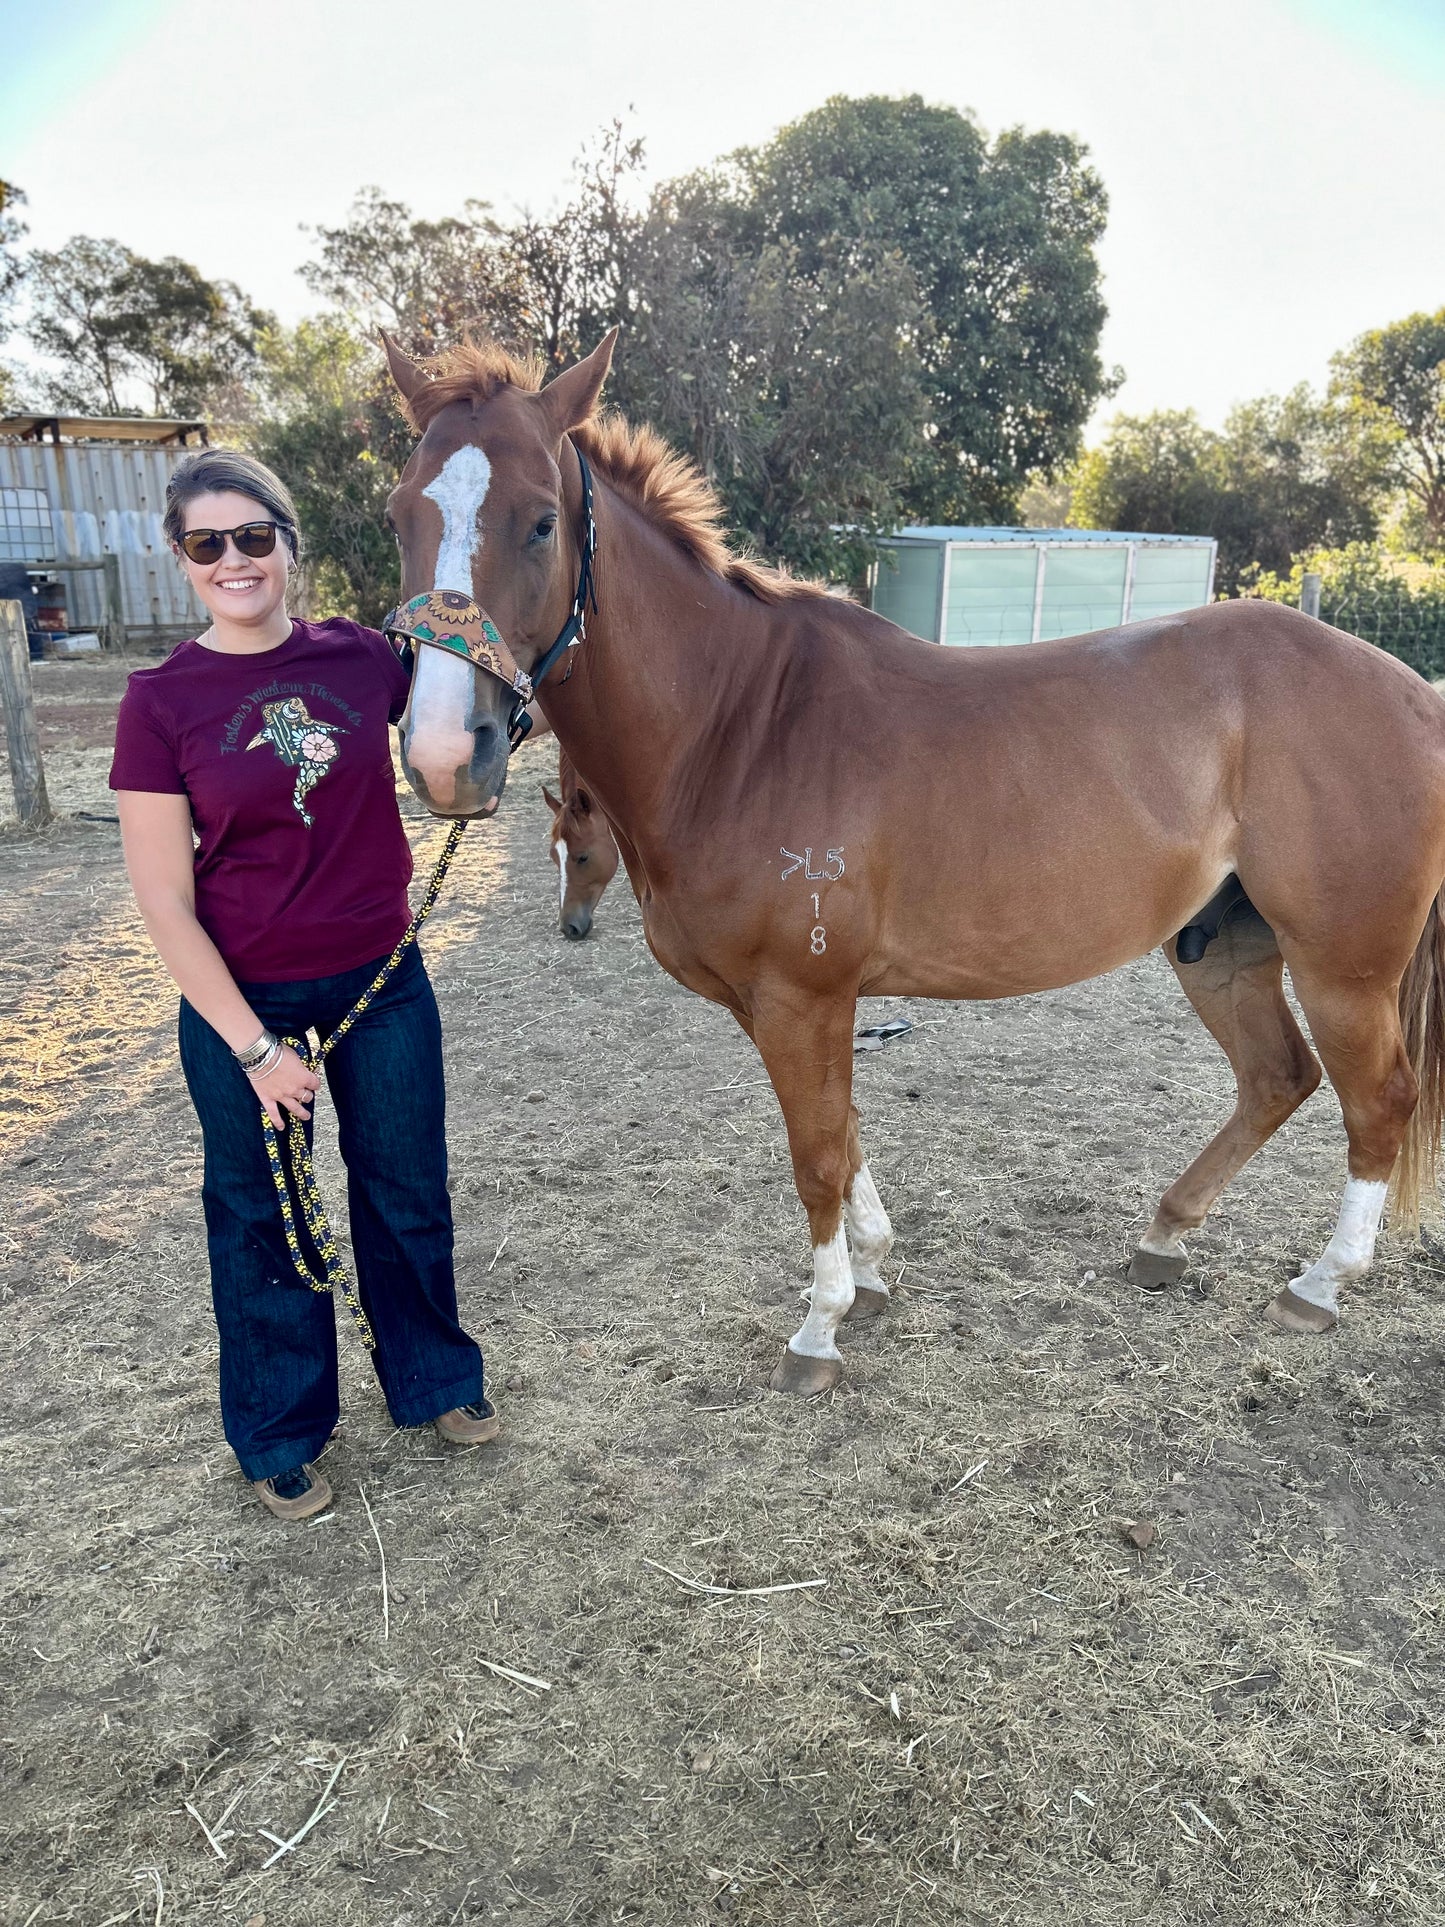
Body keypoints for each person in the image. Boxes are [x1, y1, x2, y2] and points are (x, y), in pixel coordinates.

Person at [110, 448, 497, 1522]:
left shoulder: (361, 656)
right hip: (248, 1001)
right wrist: (253, 1049)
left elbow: (461, 705)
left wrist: (470, 594)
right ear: (182, 560)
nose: (233, 559)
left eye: (252, 537)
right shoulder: (160, 701)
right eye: (206, 544)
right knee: (259, 1219)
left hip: (382, 983)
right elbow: (164, 904)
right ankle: (280, 1430)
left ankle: (435, 1385)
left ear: (288, 543)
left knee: (406, 1188)